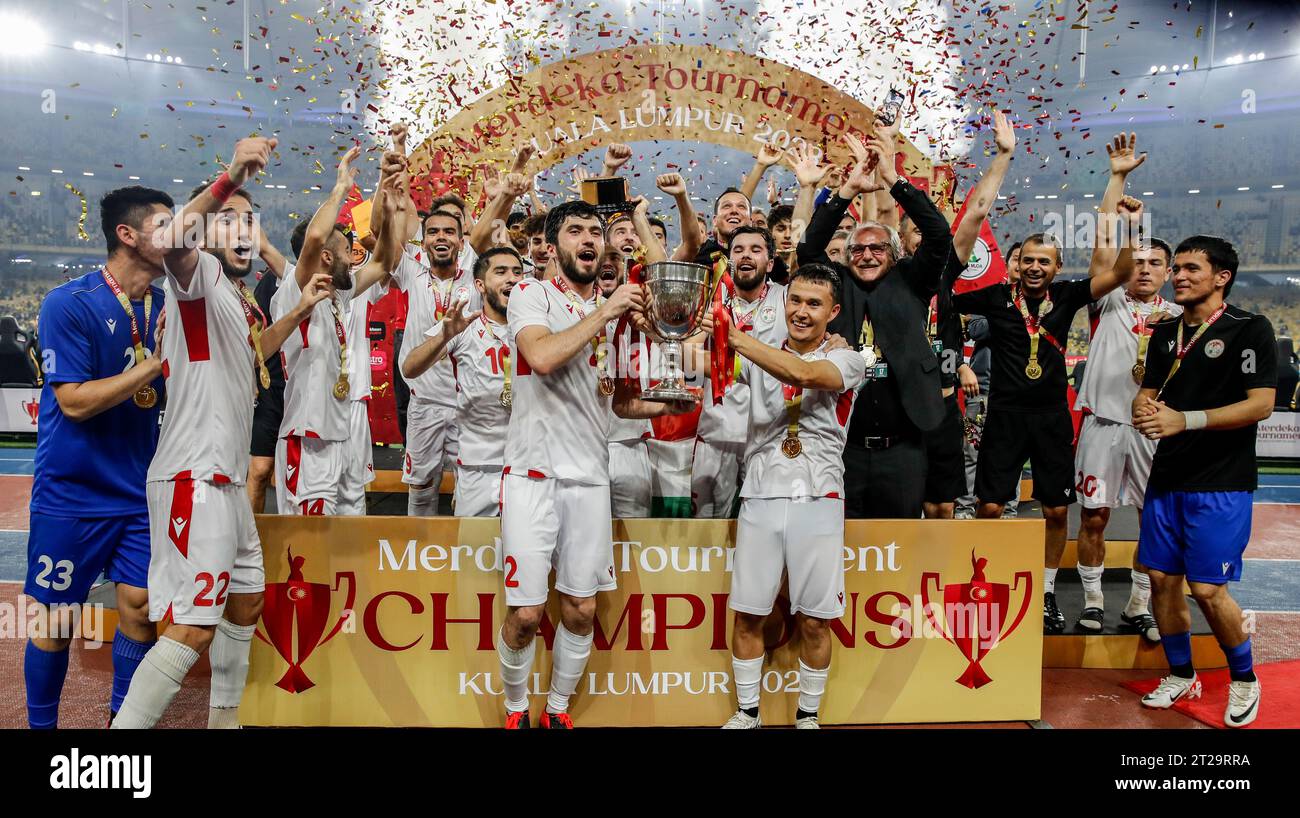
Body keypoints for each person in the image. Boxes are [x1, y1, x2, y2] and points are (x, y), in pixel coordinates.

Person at [112, 137, 335, 729]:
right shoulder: (196, 275)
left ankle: (225, 723)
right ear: (207, 232)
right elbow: (168, 241)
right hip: (195, 475)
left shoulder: (234, 298)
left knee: (246, 604)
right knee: (193, 624)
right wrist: (232, 172)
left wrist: (297, 312)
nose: (240, 229)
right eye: (228, 219)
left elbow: (252, 357)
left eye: (248, 219)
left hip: (226, 483)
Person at [494, 201, 691, 729]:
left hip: (588, 479)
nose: (587, 239)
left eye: (594, 233)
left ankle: (557, 710)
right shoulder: (531, 294)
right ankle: (515, 707)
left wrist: (666, 403)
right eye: (575, 230)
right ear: (554, 245)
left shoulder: (620, 318)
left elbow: (622, 403)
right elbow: (541, 357)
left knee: (580, 611)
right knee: (527, 615)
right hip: (531, 475)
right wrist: (605, 312)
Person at [952, 132, 1146, 634]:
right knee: (992, 506)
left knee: (1058, 508)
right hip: (1006, 416)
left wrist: (1132, 227)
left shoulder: (1068, 295)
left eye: (1045, 261)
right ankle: (988, 584)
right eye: (1028, 260)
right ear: (1016, 264)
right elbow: (944, 297)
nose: (1035, 267)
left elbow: (1124, 271)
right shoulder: (995, 298)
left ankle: (1042, 593)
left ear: (1057, 268)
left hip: (1052, 419)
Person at [25, 186, 172, 728]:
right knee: (58, 619)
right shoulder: (70, 303)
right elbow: (74, 401)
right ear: (127, 235)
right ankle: (43, 729)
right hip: (74, 492)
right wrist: (154, 365)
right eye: (165, 225)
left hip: (139, 491)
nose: (178, 236)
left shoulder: (170, 304)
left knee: (138, 608)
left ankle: (121, 726)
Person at [716, 264, 866, 729]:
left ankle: (807, 717)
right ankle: (746, 714)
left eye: (814, 304)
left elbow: (802, 373)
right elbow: (702, 363)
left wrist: (736, 337)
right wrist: (674, 330)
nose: (801, 312)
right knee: (748, 615)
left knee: (816, 621)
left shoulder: (849, 359)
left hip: (818, 499)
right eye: (795, 301)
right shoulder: (759, 355)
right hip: (760, 497)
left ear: (833, 312)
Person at [1133, 235, 1275, 727]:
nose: (1179, 276)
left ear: (1222, 277)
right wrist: (1144, 409)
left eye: (1193, 268)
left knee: (1209, 590)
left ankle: (1244, 680)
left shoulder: (1249, 328)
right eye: (1178, 268)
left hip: (1222, 482)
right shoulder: (1164, 331)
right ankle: (1181, 672)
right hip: (1167, 477)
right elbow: (1148, 392)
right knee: (1161, 581)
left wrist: (1185, 420)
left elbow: (1261, 405)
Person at [799, 130, 953, 519]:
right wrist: (848, 189)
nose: (866, 255)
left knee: (897, 544)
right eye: (858, 249)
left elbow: (938, 234)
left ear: (895, 252)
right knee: (843, 541)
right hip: (842, 444)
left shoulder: (913, 280)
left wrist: (893, 179)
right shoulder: (837, 283)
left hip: (903, 447)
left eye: (877, 248)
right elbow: (808, 248)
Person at [272, 148, 404, 516]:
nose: (352, 258)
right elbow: (315, 238)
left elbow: (382, 262)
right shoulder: (294, 290)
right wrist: (342, 187)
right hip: (308, 438)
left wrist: (389, 213)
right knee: (308, 545)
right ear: (327, 258)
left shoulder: (338, 295)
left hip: (343, 435)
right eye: (346, 250)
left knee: (348, 535)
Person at [395, 172, 531, 516]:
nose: (441, 237)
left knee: (465, 483)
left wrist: (505, 194)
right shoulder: (412, 268)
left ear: (460, 240)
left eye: (450, 231)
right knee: (422, 483)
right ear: (422, 241)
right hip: (424, 396)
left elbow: (484, 231)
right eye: (433, 232)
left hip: (464, 400)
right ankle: (421, 552)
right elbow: (408, 366)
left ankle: (458, 542)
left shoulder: (473, 268)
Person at [1072, 237, 1180, 636]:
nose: (1146, 269)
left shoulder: (1178, 316)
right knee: (1094, 517)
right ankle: (1093, 602)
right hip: (1104, 424)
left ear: (1168, 273)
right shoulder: (1108, 302)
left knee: (1151, 521)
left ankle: (1138, 606)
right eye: (1138, 261)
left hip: (1154, 429)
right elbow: (1101, 258)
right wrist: (1125, 222)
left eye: (1155, 263)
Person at [922, 111, 1015, 519]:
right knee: (901, 502)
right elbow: (883, 216)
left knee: (942, 504)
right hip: (891, 403)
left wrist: (1003, 156)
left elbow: (975, 212)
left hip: (940, 404)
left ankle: (935, 576)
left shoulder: (944, 273)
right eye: (917, 229)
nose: (927, 235)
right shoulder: (885, 277)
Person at [693, 226, 788, 518]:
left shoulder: (788, 300)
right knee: (706, 534)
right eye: (738, 250)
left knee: (764, 524)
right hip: (717, 433)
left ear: (770, 263)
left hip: (769, 436)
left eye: (755, 250)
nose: (746, 255)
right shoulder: (709, 299)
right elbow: (684, 357)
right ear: (728, 259)